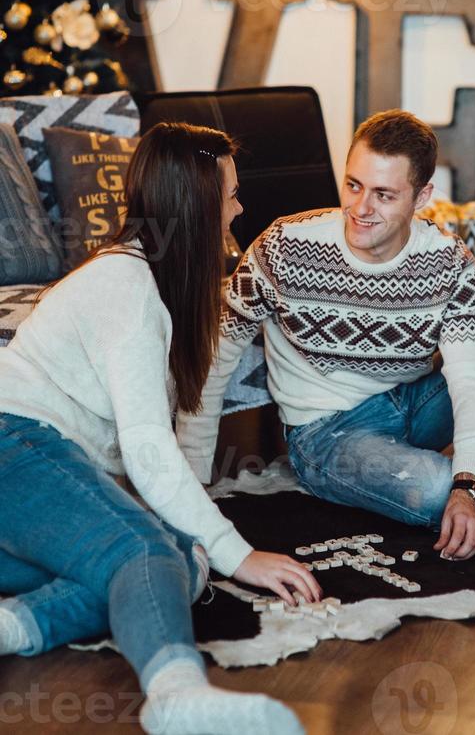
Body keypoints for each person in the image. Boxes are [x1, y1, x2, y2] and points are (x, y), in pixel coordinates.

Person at [179, 109, 475, 563]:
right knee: (433, 496)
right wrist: (195, 487)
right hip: (327, 433)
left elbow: (469, 378)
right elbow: (214, 363)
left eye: (384, 195)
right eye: (353, 185)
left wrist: (467, 487)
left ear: (422, 197)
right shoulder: (283, 248)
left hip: (415, 403)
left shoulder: (449, 262)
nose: (360, 209)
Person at [0, 123, 318, 735]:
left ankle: (11, 627)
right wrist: (240, 555)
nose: (239, 207)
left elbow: (173, 435)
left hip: (33, 468)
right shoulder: (127, 286)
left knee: (173, 560)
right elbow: (147, 449)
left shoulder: (163, 285)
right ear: (196, 204)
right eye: (229, 194)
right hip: (15, 442)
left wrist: (202, 541)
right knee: (143, 553)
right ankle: (176, 698)